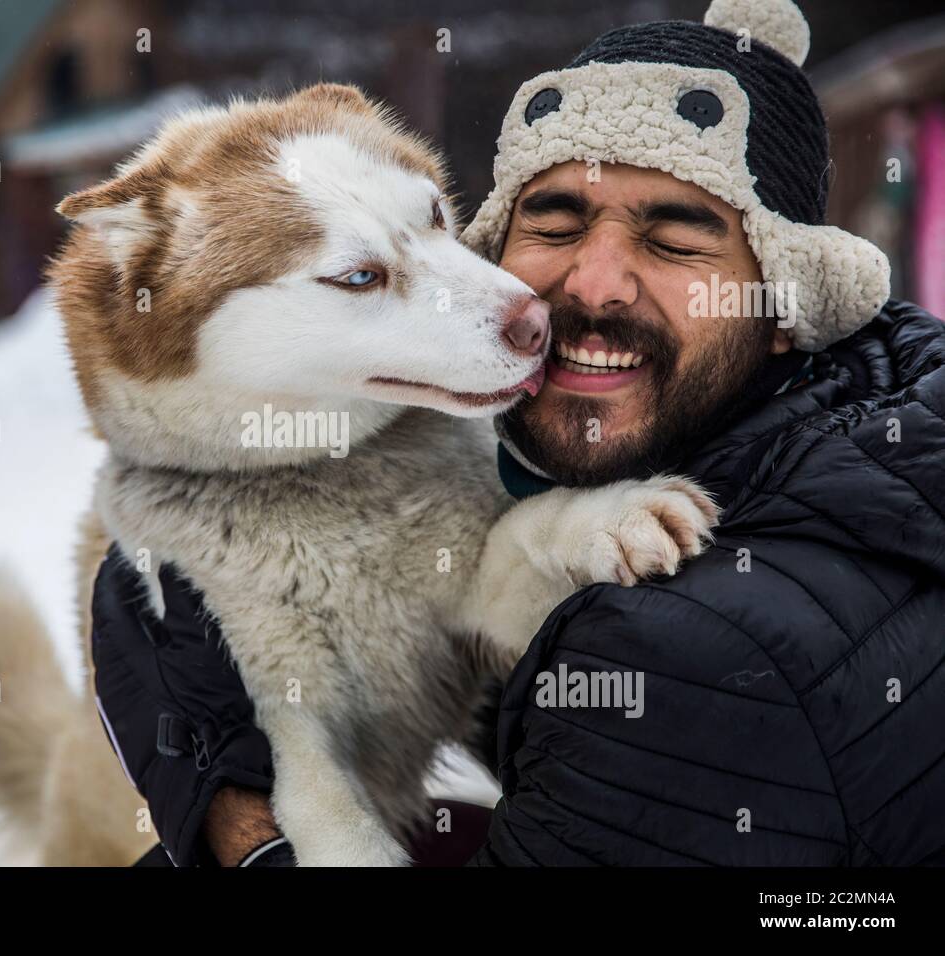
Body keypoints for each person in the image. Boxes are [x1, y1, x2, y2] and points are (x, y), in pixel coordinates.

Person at [88, 0, 945, 866]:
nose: (589, 285)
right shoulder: (872, 443)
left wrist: (236, 821)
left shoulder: (688, 647)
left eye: (676, 240)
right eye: (557, 223)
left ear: (786, 306)